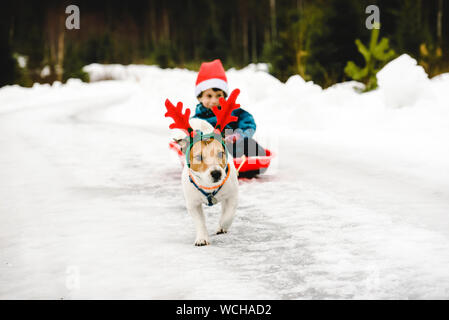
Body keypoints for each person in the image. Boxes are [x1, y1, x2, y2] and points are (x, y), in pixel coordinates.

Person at [192, 59, 265, 158]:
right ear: (200, 97)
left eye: (218, 96)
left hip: (234, 149)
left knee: (249, 144)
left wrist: (238, 135)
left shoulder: (233, 112)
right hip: (211, 155)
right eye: (209, 96)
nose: (214, 101)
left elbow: (248, 123)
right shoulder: (197, 120)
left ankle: (255, 159)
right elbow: (190, 135)